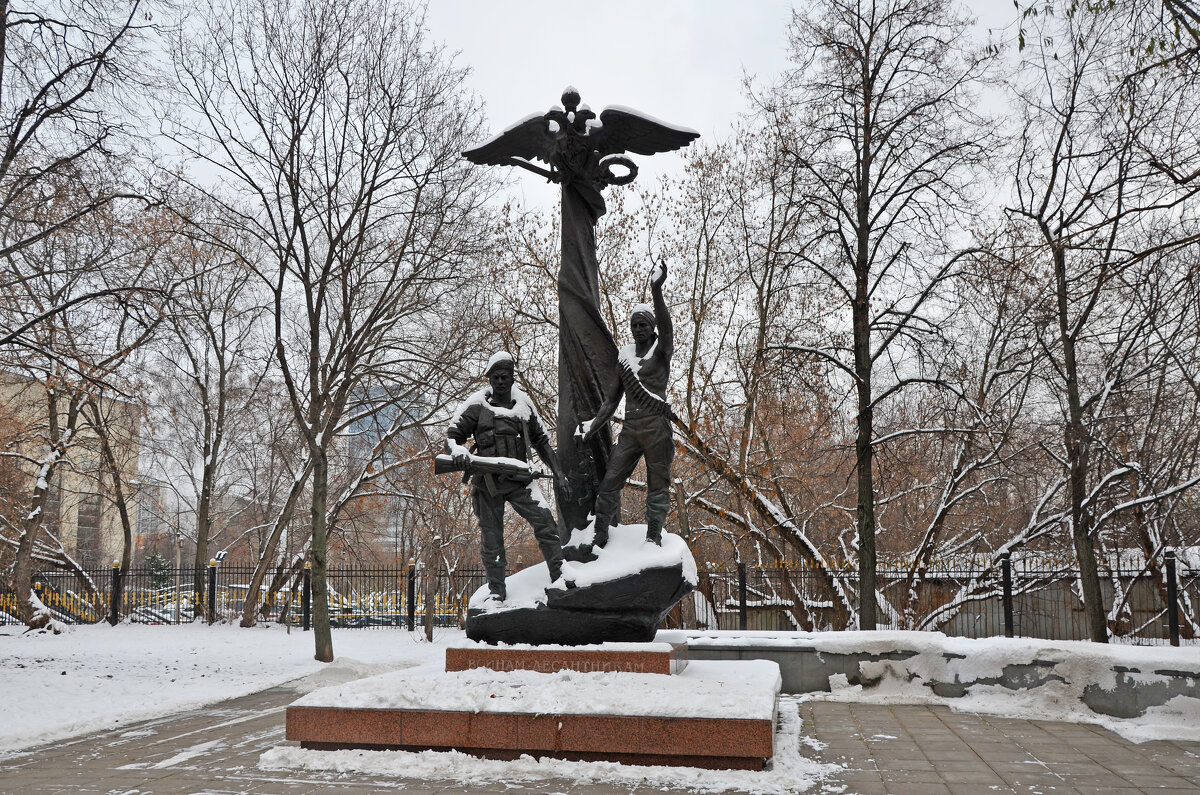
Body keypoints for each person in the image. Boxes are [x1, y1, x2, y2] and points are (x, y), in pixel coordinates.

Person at [446, 352, 572, 602]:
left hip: (520, 480)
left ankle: (560, 576)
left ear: (513, 377)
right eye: (495, 377)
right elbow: (452, 436)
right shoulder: (476, 405)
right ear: (489, 379)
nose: (500, 381)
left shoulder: (524, 405)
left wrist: (560, 475)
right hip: (487, 484)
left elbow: (543, 443)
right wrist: (459, 451)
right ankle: (496, 592)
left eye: (505, 376)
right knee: (491, 538)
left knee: (546, 522)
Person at [580, 261, 674, 547]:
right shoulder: (624, 356)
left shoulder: (661, 351)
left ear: (652, 327)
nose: (637, 329)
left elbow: (667, 327)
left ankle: (653, 535)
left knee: (657, 485)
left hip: (657, 426)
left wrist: (655, 291)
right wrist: (592, 428)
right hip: (631, 428)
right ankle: (600, 533)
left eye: (642, 324)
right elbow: (611, 401)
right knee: (610, 481)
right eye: (633, 325)